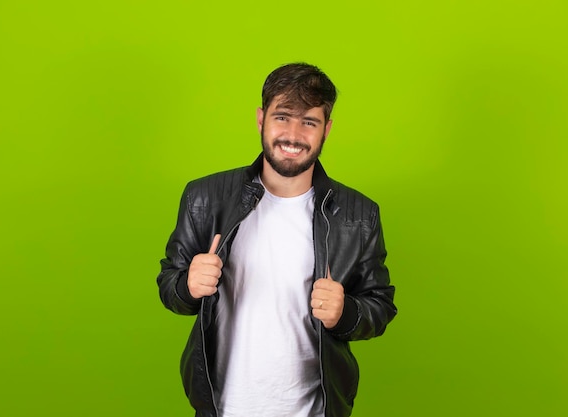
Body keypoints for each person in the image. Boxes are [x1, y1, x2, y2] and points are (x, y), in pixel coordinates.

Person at [157, 62, 397, 417]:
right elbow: (169, 287)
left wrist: (345, 312)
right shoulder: (204, 197)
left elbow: (380, 306)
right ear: (261, 118)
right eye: (283, 117)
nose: (293, 134)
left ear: (326, 129)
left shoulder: (358, 214)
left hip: (314, 409)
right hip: (225, 407)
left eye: (309, 122)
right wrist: (188, 285)